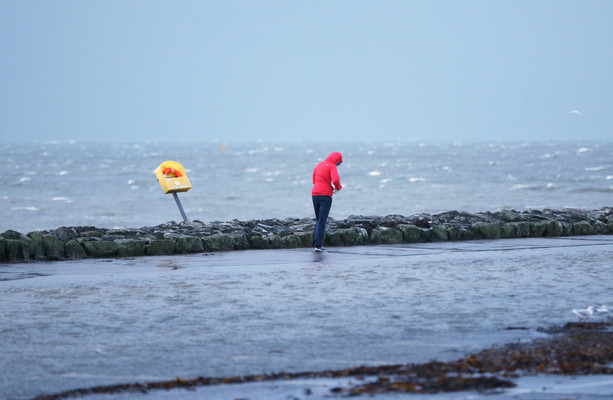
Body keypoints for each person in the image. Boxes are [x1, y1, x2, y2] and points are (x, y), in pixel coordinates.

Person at [311, 152, 343, 252]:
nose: (339, 164)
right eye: (340, 162)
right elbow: (336, 179)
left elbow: (314, 180)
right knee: (322, 220)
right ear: (337, 160)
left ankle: (316, 243)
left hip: (315, 194)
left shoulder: (319, 165)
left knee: (318, 220)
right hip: (325, 195)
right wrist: (338, 188)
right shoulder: (332, 166)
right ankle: (318, 245)